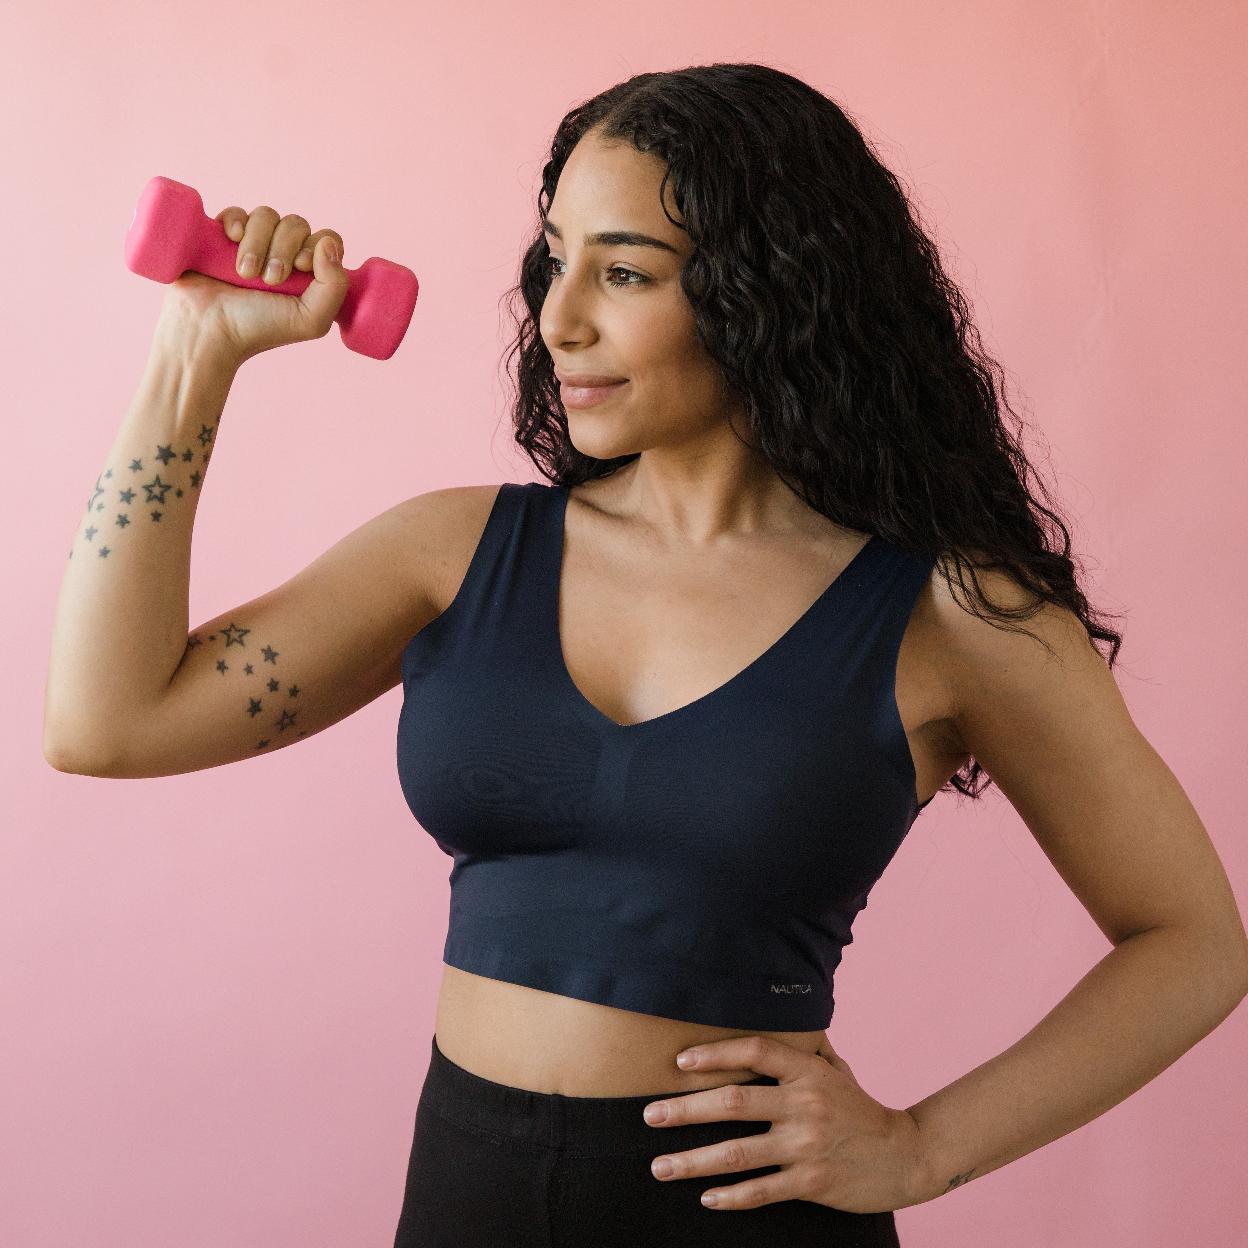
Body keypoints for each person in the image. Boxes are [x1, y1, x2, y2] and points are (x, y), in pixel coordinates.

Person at [44, 63, 1248, 1248]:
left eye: (623, 272)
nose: (559, 317)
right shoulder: (456, 551)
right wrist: (195, 353)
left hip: (752, 1222)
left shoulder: (956, 613)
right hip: (466, 1201)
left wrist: (922, 1147)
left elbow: (1192, 943)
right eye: (554, 258)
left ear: (771, 291)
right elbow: (107, 724)